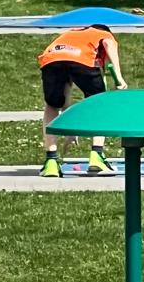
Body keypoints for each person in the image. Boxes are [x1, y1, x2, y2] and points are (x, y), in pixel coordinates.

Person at [38, 20, 127, 177]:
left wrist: (70, 130)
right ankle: (97, 156)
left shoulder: (71, 34)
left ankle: (51, 161)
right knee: (99, 104)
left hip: (51, 60)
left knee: (52, 105)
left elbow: (65, 99)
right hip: (82, 59)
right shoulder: (103, 33)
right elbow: (108, 44)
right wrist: (119, 78)